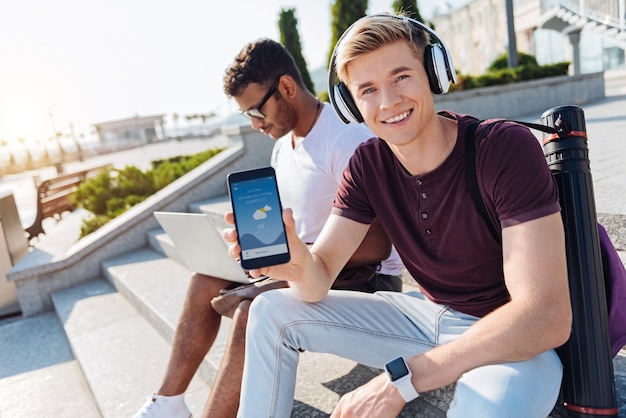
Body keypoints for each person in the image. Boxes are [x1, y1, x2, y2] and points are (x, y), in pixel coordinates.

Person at [225, 14, 573, 418]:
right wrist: (297, 262)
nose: (387, 102)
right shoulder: (368, 164)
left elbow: (545, 316)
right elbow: (318, 278)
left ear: (434, 73)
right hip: (427, 317)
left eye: (401, 76)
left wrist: (403, 380)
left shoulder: (501, 148)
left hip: (511, 338)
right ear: (350, 104)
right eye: (368, 89)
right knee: (270, 311)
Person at [132, 38, 405, 418]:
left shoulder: (345, 141)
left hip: (367, 279)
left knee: (253, 309)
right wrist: (258, 244)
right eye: (247, 116)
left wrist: (296, 259)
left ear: (288, 88)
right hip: (306, 266)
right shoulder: (283, 146)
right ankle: (168, 404)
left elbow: (380, 243)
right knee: (204, 279)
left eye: (257, 111)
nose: (256, 124)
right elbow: (291, 226)